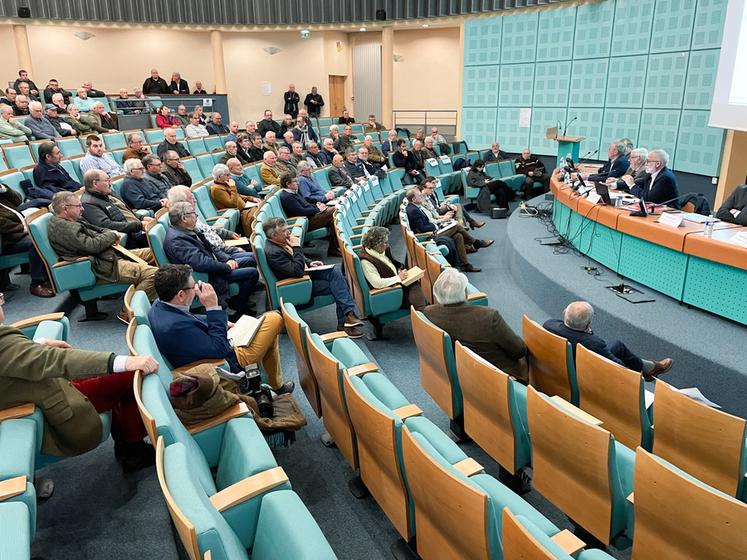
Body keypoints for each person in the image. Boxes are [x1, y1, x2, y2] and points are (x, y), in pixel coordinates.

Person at [0, 293, 160, 470]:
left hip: (48, 386)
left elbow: (12, 356)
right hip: (57, 401)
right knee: (130, 373)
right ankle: (133, 451)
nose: (2, 301)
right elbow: (57, 360)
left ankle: (127, 444)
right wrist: (119, 361)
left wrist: (38, 343)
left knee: (115, 378)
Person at [148, 265, 292, 393]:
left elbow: (190, 318)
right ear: (181, 295)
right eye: (194, 287)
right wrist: (212, 307)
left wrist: (219, 321)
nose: (197, 290)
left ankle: (274, 385)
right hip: (227, 360)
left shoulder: (159, 304)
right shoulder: (174, 327)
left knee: (267, 328)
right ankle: (275, 385)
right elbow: (219, 351)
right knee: (274, 318)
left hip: (210, 343)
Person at [48, 191, 158, 313]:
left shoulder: (72, 219)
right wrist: (111, 236)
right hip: (102, 266)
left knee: (154, 252)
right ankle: (128, 312)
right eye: (78, 206)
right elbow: (92, 246)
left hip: (109, 255)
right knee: (153, 274)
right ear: (65, 208)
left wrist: (110, 234)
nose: (82, 209)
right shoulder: (64, 228)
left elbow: (99, 229)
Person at [263, 216, 363, 336]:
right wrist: (297, 247)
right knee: (341, 283)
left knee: (336, 273)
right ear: (274, 235)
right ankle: (346, 319)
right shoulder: (274, 252)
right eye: (284, 231)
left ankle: (348, 316)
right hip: (297, 286)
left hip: (305, 275)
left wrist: (310, 262)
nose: (288, 233)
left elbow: (294, 256)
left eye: (287, 229)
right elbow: (297, 271)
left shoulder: (279, 242)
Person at [425, 268, 528, 382]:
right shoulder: (488, 316)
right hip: (498, 379)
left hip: (460, 373)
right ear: (465, 292)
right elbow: (519, 350)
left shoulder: (429, 313)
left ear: (437, 293)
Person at [164, 201, 258, 316]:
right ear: (184, 218)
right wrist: (226, 267)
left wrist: (228, 259)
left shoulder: (188, 230)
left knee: (251, 259)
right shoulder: (177, 241)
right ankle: (235, 309)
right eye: (194, 213)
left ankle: (239, 301)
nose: (196, 216)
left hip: (215, 266)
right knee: (252, 273)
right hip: (209, 276)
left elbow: (212, 248)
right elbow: (202, 263)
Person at [544, 301, 673, 381]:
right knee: (619, 351)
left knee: (617, 346)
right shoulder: (593, 343)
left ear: (564, 313)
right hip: (583, 375)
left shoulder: (549, 325)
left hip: (561, 366)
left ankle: (648, 368)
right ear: (588, 323)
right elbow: (619, 367)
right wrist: (588, 331)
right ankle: (648, 369)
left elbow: (566, 328)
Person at [167, 185, 256, 268]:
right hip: (221, 254)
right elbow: (210, 248)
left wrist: (227, 233)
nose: (195, 200)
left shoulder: (190, 215)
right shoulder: (187, 222)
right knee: (254, 257)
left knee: (252, 245)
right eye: (191, 197)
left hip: (222, 250)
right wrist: (232, 250)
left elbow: (209, 230)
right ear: (182, 202)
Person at [405, 188, 482, 272]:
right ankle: (475, 242)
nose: (422, 197)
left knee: (458, 236)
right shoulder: (413, 210)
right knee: (456, 226)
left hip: (432, 232)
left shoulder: (415, 207)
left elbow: (425, 223)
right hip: (428, 236)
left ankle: (465, 264)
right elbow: (422, 228)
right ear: (413, 199)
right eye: (419, 196)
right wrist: (435, 225)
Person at [0, 185, 54, 296]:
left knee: (44, 235)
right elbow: (3, 226)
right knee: (35, 242)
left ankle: (49, 276)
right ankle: (36, 283)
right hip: (8, 241)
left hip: (19, 232)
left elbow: (17, 200)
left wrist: (3, 189)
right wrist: (24, 229)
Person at [81, 169, 152, 249]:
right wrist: (139, 225)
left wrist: (142, 218)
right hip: (129, 241)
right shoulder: (88, 203)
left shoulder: (108, 193)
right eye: (107, 180)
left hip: (136, 232)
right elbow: (106, 225)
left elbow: (125, 211)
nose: (110, 183)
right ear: (95, 183)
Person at [359, 226, 426, 309]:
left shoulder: (381, 251)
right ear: (377, 245)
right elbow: (377, 283)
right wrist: (398, 278)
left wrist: (399, 272)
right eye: (385, 242)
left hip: (396, 283)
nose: (387, 245)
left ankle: (422, 309)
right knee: (415, 287)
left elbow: (390, 266)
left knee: (415, 284)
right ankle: (421, 310)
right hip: (390, 293)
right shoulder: (366, 261)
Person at [278, 174, 339, 256]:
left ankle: (334, 248)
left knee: (333, 221)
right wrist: (318, 209)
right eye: (295, 181)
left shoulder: (294, 191)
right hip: (307, 221)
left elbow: (306, 203)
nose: (298, 183)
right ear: (288, 184)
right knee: (335, 209)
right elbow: (301, 211)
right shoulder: (287, 196)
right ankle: (334, 248)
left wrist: (317, 205)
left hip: (312, 216)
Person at [210, 163, 259, 233]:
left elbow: (237, 195)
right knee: (255, 214)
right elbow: (232, 204)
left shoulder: (225, 183)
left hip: (244, 206)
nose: (230, 177)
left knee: (261, 206)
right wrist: (233, 187)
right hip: (238, 210)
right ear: (219, 177)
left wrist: (251, 198)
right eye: (227, 175)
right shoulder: (217, 189)